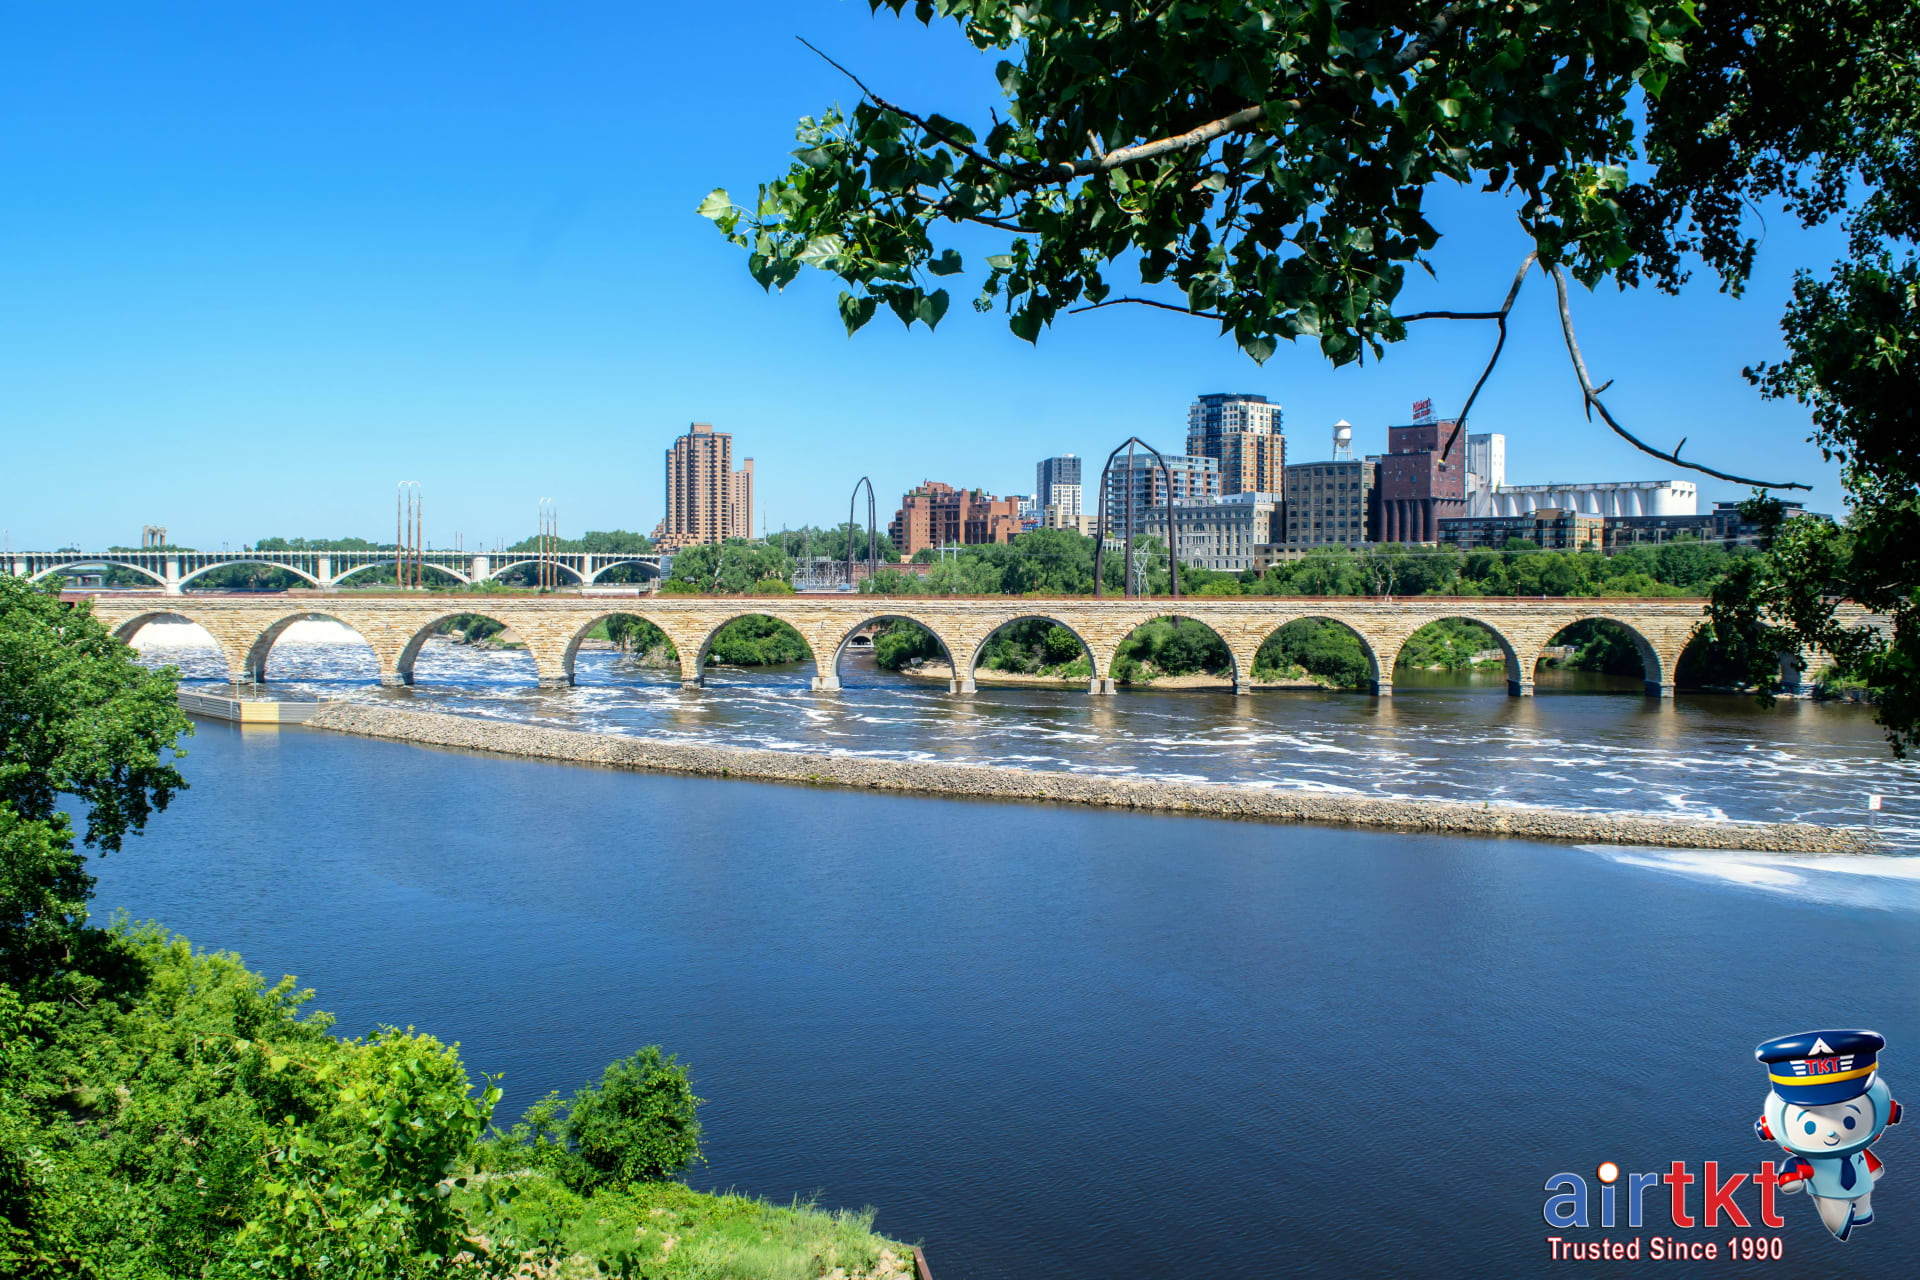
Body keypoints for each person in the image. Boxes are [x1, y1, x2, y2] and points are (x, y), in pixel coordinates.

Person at [1755, 1030, 1901, 1240]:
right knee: (1836, 1217)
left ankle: (1861, 1214)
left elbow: (1867, 1162)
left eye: (1848, 1120)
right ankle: (1841, 1224)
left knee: (1862, 1208)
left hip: (1861, 1187)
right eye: (1810, 1125)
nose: (1832, 1131)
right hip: (1828, 1194)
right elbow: (1794, 1172)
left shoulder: (1861, 1145)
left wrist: (1874, 1170)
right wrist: (1791, 1178)